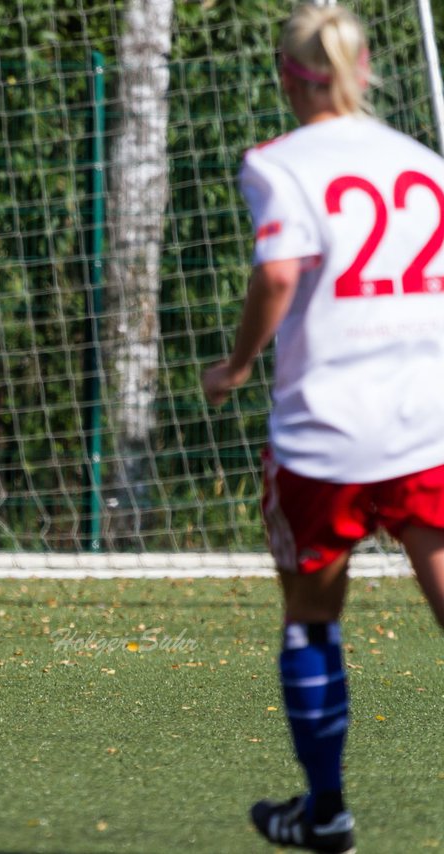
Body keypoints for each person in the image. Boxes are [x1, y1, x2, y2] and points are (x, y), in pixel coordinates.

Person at [202, 5, 444, 851]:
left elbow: (278, 270)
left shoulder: (278, 163)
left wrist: (234, 367)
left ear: (286, 74)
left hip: (326, 431)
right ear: (365, 69)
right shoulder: (423, 162)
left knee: (312, 617)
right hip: (425, 419)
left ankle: (328, 810)